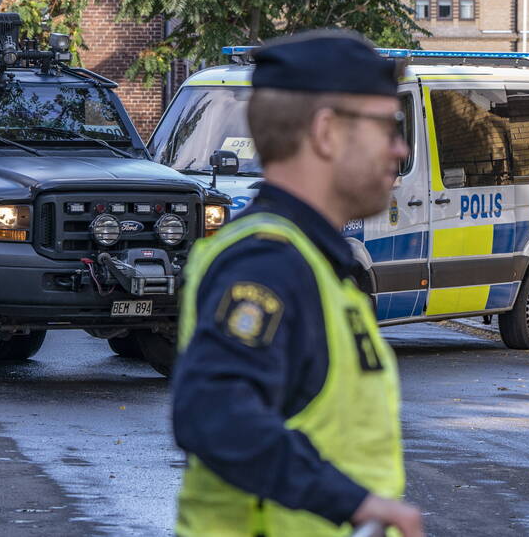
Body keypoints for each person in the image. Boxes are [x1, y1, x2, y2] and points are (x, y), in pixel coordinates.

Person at [172, 30, 424, 537]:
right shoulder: (269, 263)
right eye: (387, 126)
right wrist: (351, 504)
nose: (399, 149)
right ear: (327, 132)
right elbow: (211, 411)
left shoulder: (312, 262)